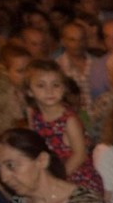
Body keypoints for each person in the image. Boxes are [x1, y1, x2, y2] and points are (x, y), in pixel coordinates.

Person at [23, 61, 100, 191]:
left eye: (56, 85)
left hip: (75, 177)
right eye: (41, 86)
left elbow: (80, 155)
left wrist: (56, 179)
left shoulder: (69, 120)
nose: (49, 91)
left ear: (63, 88)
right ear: (29, 91)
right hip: (48, 173)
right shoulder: (34, 114)